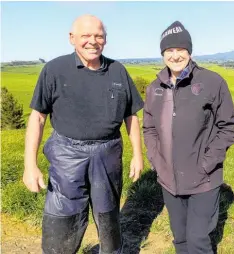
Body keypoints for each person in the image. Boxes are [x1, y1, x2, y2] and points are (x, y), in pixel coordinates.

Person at [23, 14, 144, 254]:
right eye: (86, 36)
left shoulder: (118, 71)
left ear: (105, 40)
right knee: (63, 217)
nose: (93, 41)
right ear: (72, 38)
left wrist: (138, 155)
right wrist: (30, 165)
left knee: (108, 214)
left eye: (99, 36)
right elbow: (37, 118)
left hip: (107, 154)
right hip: (66, 154)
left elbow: (132, 117)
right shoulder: (54, 70)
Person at [143, 21, 234, 254]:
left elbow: (229, 126)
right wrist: (157, 161)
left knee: (197, 240)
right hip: (169, 180)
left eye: (180, 50)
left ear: (190, 51)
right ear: (162, 54)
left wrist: (207, 162)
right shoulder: (155, 88)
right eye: (169, 50)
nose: (175, 56)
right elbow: (149, 129)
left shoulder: (211, 82)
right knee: (181, 240)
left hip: (203, 179)